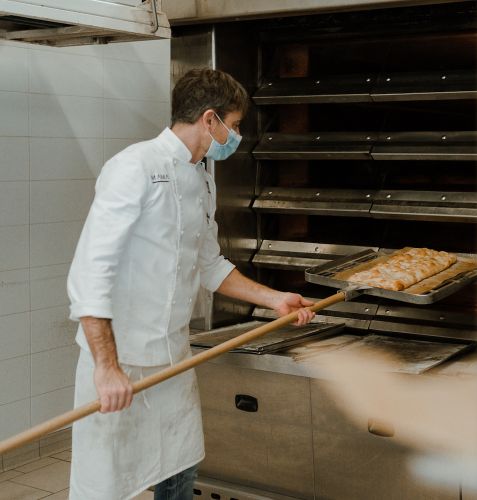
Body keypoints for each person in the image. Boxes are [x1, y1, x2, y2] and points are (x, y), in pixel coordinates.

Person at [66, 68, 315, 499]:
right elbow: (91, 272)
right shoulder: (133, 167)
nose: (236, 136)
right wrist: (107, 369)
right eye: (234, 126)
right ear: (210, 119)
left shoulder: (202, 177)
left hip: (172, 360)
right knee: (104, 486)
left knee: (179, 470)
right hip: (122, 363)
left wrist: (274, 299)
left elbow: (209, 265)